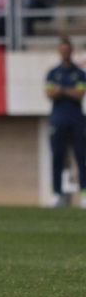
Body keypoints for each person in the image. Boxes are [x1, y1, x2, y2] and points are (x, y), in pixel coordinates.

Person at [45, 38, 86, 207]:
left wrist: (61, 89)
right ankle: (57, 193)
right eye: (62, 50)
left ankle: (83, 193)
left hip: (76, 119)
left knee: (81, 157)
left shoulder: (80, 73)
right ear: (59, 51)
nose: (65, 53)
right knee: (57, 157)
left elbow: (79, 94)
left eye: (67, 50)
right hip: (58, 119)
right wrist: (68, 90)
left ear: (71, 51)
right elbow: (49, 93)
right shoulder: (53, 73)